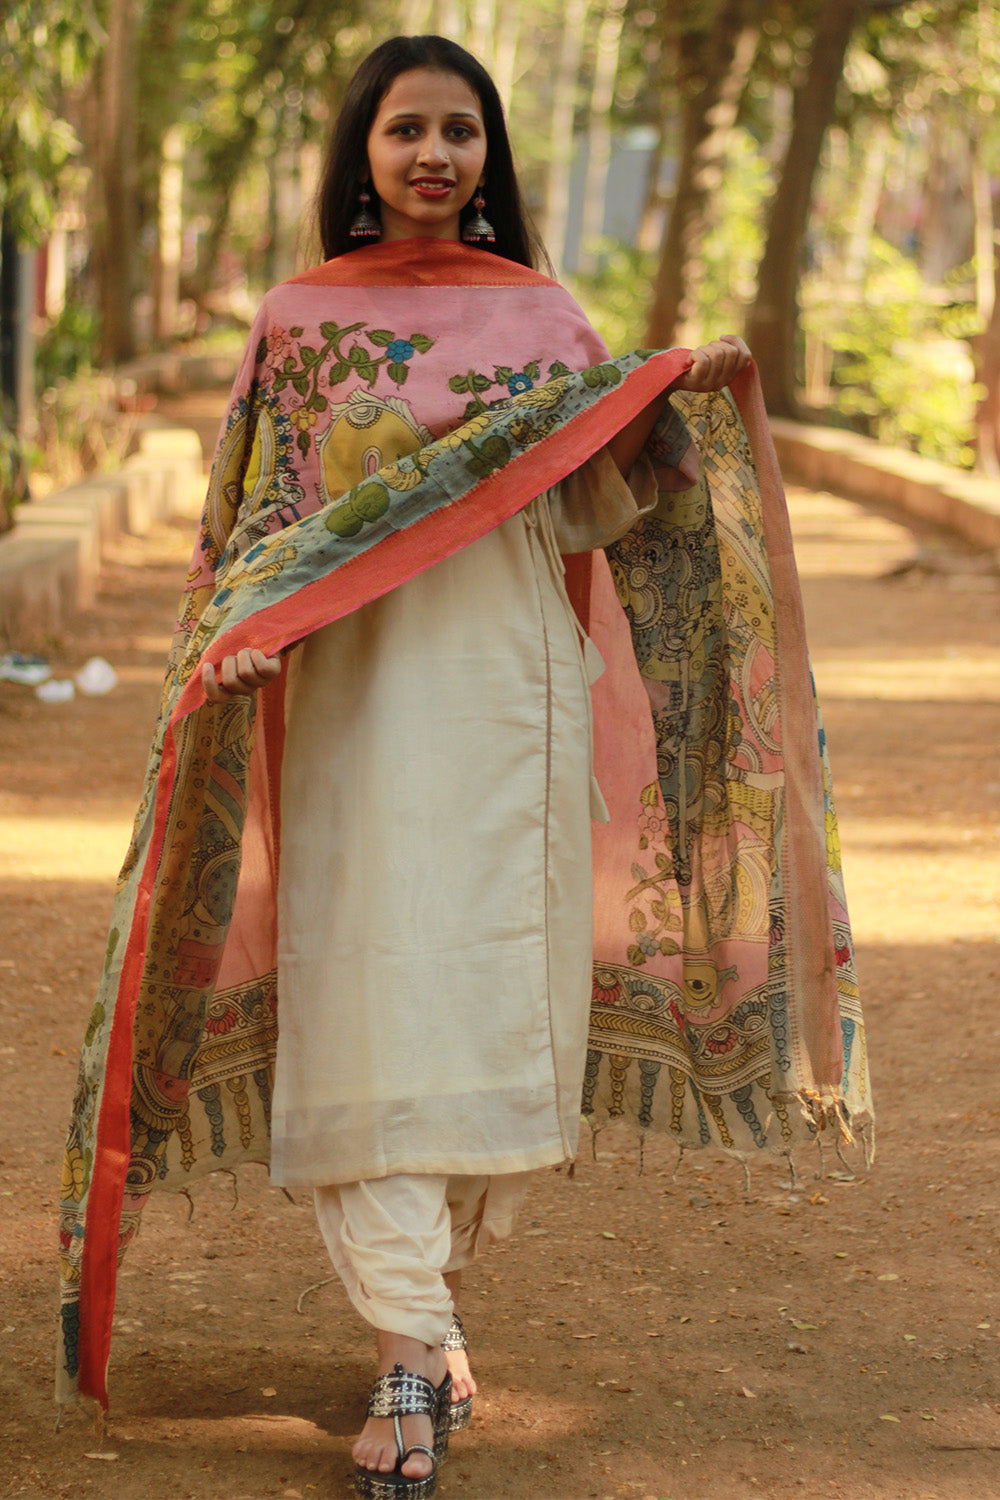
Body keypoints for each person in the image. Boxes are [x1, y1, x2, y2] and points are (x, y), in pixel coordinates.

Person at [58, 34, 870, 1500]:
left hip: (508, 698)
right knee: (368, 999)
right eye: (406, 130)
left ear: (489, 155)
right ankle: (410, 1346)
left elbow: (590, 511)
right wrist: (239, 635)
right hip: (355, 706)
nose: (434, 155)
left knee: (496, 995)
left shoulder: (541, 318)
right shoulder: (302, 320)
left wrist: (665, 409)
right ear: (362, 154)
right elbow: (258, 522)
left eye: (459, 131)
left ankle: (425, 1320)